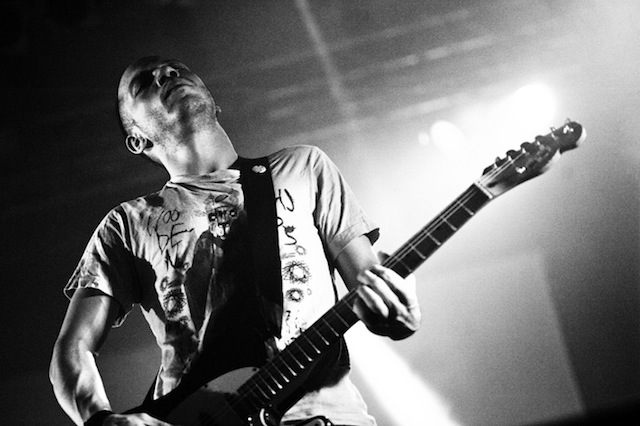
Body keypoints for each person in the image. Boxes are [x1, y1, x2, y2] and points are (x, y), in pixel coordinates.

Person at [50, 56, 421, 426]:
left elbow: (373, 287)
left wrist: (401, 311)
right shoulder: (128, 223)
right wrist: (99, 420)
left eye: (176, 70)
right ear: (136, 139)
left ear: (213, 101)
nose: (167, 74)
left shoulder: (304, 167)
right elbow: (73, 346)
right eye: (145, 83)